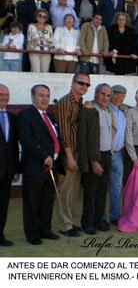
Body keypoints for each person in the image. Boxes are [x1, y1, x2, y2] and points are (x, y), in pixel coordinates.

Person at [17, 84, 63, 245]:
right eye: (41, 95)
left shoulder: (50, 116)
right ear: (33, 97)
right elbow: (27, 139)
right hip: (35, 167)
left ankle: (45, 230)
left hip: (52, 167)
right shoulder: (25, 115)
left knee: (47, 200)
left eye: (47, 96)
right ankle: (32, 234)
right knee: (32, 202)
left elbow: (56, 138)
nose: (45, 99)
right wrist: (44, 156)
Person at [53, 73, 90, 238]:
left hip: (76, 151)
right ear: (73, 83)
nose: (84, 86)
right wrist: (69, 156)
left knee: (73, 190)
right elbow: (64, 132)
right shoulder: (65, 102)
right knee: (66, 189)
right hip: (69, 152)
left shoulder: (80, 102)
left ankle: (70, 222)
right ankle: (65, 224)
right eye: (81, 83)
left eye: (87, 84)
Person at [78, 83, 113, 235]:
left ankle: (98, 220)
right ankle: (87, 223)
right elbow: (85, 138)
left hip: (106, 155)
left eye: (108, 95)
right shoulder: (89, 111)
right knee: (90, 192)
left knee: (102, 191)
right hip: (95, 155)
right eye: (103, 94)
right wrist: (93, 160)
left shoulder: (107, 111)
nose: (105, 98)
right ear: (96, 94)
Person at [107, 85, 130, 226]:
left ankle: (114, 215)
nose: (119, 98)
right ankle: (100, 217)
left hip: (118, 153)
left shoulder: (125, 110)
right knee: (101, 186)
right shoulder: (104, 107)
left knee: (117, 186)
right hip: (103, 152)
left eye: (122, 95)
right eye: (116, 94)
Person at [0, 84, 19, 246]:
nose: (4, 97)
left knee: (3, 206)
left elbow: (13, 147)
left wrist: (16, 169)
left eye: (7, 94)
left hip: (6, 172)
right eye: (1, 94)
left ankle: (0, 236)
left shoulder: (12, 118)